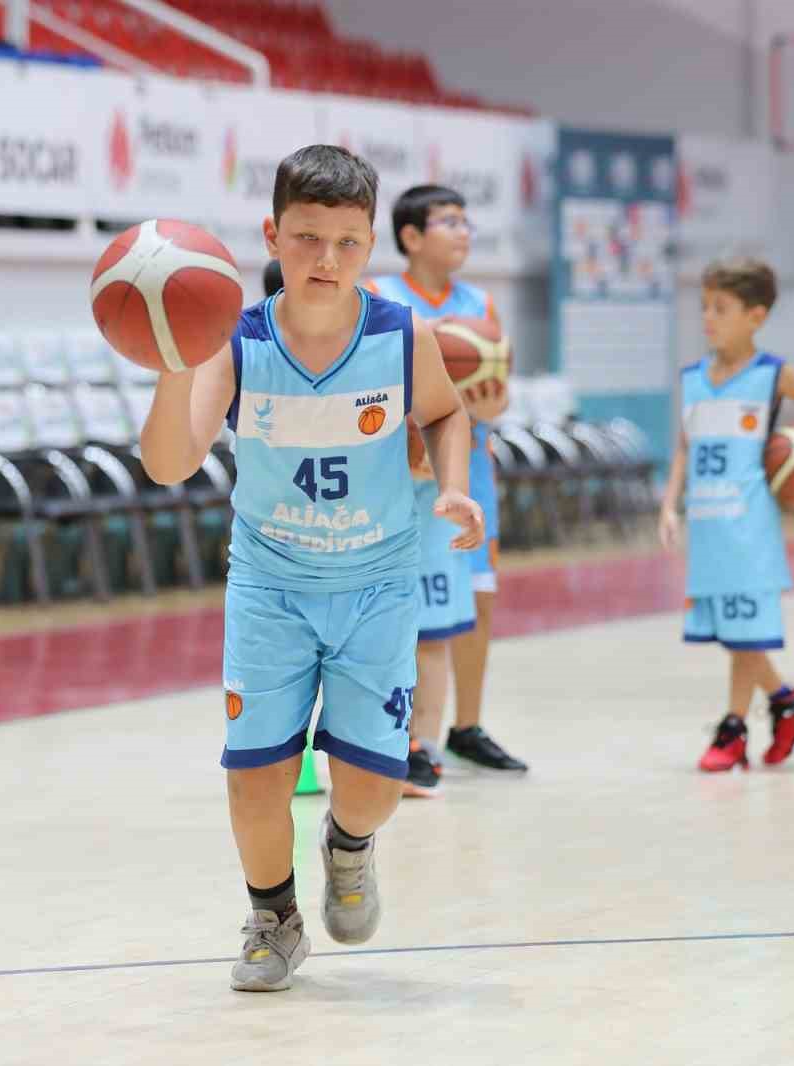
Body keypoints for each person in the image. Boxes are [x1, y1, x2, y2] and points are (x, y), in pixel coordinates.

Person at [137, 145, 481, 992]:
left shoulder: (402, 336)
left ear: (370, 245)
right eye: (307, 238)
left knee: (373, 789)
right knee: (254, 773)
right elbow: (170, 464)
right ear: (272, 237)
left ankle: (349, 845)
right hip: (270, 586)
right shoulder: (235, 343)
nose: (327, 258)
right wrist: (172, 364)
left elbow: (448, 414)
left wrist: (455, 485)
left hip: (376, 585)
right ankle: (274, 920)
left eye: (347, 242)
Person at [659, 257, 794, 772]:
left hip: (749, 530)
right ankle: (787, 704)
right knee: (731, 634)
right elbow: (685, 448)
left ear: (755, 316)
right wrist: (669, 504)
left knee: (744, 635)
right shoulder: (693, 379)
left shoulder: (772, 374)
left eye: (721, 308)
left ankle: (733, 730)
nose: (708, 318)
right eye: (704, 307)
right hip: (706, 529)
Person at [368, 185, 527, 774]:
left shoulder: (481, 303)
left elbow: (498, 397)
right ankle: (404, 734)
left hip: (470, 471)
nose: (463, 232)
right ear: (411, 236)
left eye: (467, 222)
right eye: (449, 222)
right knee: (408, 612)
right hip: (401, 479)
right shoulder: (380, 297)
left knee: (476, 600)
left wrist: (481, 406)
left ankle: (467, 726)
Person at [401, 419, 477, 797]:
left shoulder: (445, 395)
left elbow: (478, 409)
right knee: (374, 642)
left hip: (433, 515)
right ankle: (384, 745)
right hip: (373, 510)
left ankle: (425, 749)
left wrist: (446, 460)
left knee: (430, 641)